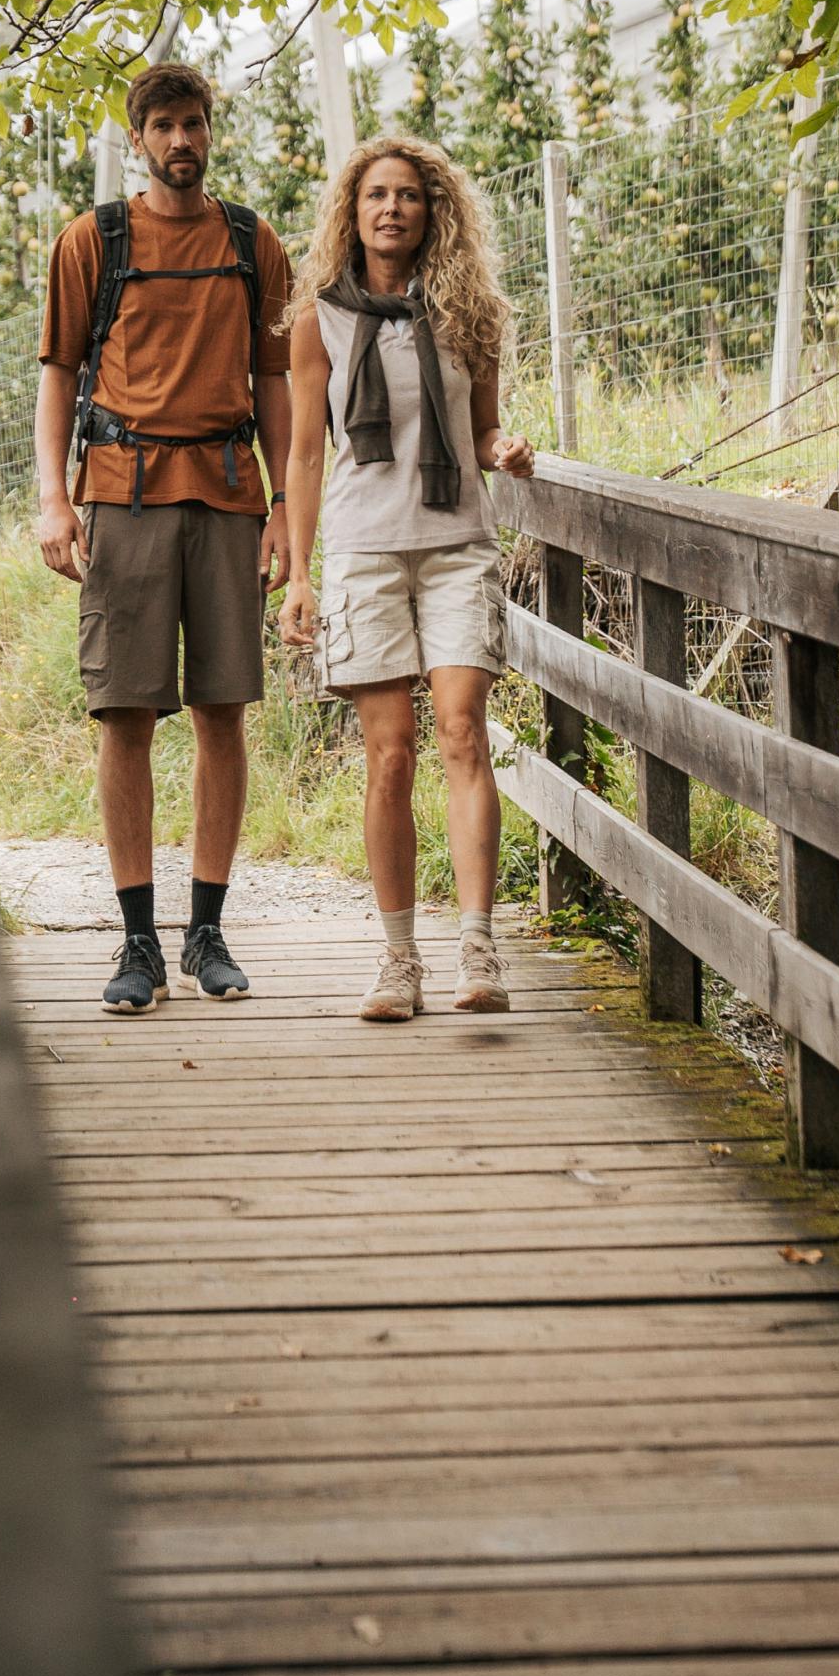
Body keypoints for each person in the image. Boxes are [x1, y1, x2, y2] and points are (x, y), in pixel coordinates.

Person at [35, 63, 294, 1015]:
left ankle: (206, 933)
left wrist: (285, 508)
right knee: (126, 715)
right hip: (120, 493)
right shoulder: (92, 241)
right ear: (137, 138)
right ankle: (138, 940)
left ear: (209, 132)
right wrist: (53, 499)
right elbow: (59, 373)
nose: (181, 141)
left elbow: (276, 382)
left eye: (193, 124)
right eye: (164, 127)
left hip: (228, 495)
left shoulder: (252, 241)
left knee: (224, 712)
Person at [280, 135, 533, 1024]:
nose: (392, 208)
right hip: (364, 550)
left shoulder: (470, 311)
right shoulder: (318, 319)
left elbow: (485, 429)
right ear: (352, 212)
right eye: (376, 195)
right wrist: (299, 574)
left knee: (463, 732)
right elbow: (305, 454)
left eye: (410, 195)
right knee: (389, 755)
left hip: (457, 542)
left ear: (435, 212)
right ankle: (397, 959)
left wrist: (505, 449)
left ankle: (478, 945)